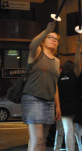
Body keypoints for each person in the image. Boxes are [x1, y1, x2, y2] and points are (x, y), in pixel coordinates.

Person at [22, 22, 61, 151]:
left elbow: (54, 83)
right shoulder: (37, 52)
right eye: (50, 37)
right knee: (37, 139)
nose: (54, 40)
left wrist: (58, 105)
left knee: (43, 140)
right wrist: (46, 30)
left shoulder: (57, 61)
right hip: (33, 97)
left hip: (49, 101)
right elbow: (32, 44)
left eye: (56, 39)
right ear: (44, 40)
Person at [54, 60, 78, 151]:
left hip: (62, 108)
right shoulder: (74, 78)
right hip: (74, 108)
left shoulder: (59, 78)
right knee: (76, 131)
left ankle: (59, 149)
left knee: (66, 130)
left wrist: (57, 107)